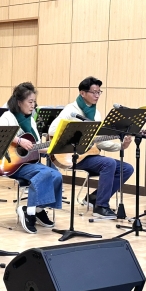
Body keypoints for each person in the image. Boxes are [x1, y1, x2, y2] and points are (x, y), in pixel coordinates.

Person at [48, 76, 134, 220]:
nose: (97, 95)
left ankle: (94, 198)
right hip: (73, 155)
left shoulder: (96, 113)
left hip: (90, 155)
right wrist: (77, 134)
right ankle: (101, 207)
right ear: (82, 93)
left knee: (127, 168)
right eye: (94, 92)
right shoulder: (71, 110)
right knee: (109, 163)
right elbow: (52, 130)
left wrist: (121, 146)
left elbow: (98, 142)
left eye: (99, 92)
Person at [0, 82, 63, 234]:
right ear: (19, 102)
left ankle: (38, 209)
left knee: (57, 175)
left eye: (34, 102)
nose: (33, 105)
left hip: (28, 163)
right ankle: (28, 211)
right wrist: (18, 141)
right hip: (10, 164)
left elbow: (35, 145)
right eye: (30, 102)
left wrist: (54, 147)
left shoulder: (30, 120)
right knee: (45, 173)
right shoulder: (8, 116)